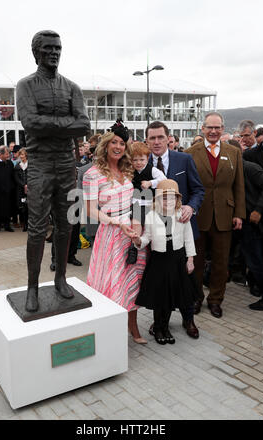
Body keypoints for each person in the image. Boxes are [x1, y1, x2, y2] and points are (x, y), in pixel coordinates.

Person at [16, 30, 90, 312]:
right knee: (36, 227)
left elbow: (83, 125)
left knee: (66, 223)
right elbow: (31, 123)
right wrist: (65, 123)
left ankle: (60, 277)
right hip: (40, 164)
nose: (55, 52)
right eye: (48, 48)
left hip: (65, 164)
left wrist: (52, 125)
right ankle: (32, 287)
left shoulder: (72, 87)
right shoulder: (26, 85)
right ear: (37, 52)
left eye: (58, 47)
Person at [83, 120, 147, 344]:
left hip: (130, 231)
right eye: (115, 142)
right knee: (112, 282)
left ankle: (134, 328)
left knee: (132, 280)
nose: (119, 147)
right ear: (106, 145)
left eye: (122, 143)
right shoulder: (92, 174)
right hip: (110, 233)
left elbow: (138, 201)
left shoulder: (127, 171)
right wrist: (115, 222)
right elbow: (90, 210)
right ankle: (109, 332)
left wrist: (136, 224)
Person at [185, 111, 246, 318]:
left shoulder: (234, 152)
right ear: (202, 129)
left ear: (222, 129)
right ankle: (195, 298)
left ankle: (216, 300)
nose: (213, 131)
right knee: (197, 261)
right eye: (209, 127)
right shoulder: (190, 152)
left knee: (221, 262)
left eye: (217, 127)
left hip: (224, 215)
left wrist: (239, 213)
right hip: (198, 216)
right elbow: (187, 187)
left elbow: (239, 185)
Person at [133, 179, 199, 345]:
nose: (167, 201)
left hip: (177, 259)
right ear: (157, 199)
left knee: (171, 296)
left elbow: (188, 238)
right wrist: (138, 241)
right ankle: (159, 327)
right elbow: (147, 237)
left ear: (177, 200)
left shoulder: (181, 215)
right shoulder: (151, 215)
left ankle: (166, 327)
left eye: (171, 198)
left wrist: (190, 259)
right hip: (159, 260)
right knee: (160, 296)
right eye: (163, 198)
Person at [146, 121, 204, 241]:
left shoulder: (185, 159)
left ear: (168, 139)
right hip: (153, 231)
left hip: (181, 226)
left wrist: (190, 207)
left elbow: (198, 190)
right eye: (152, 138)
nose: (156, 142)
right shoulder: (141, 164)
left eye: (160, 137)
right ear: (147, 141)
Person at [126, 141, 166, 264]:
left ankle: (157, 252)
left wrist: (150, 183)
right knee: (136, 223)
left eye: (141, 160)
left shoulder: (152, 170)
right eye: (135, 160)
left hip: (150, 204)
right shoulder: (130, 171)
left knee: (152, 228)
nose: (138, 163)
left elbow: (163, 179)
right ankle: (134, 247)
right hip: (136, 203)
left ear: (147, 158)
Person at [243, 126, 263, 276]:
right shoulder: (250, 156)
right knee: (258, 253)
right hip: (256, 212)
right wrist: (258, 208)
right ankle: (257, 284)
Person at [14, 148, 28, 232]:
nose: (21, 156)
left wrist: (28, 185)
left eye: (22, 154)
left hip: (31, 189)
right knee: (23, 207)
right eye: (20, 154)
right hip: (21, 190)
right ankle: (25, 224)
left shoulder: (31, 165)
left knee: (30, 207)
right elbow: (16, 178)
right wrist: (24, 185)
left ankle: (31, 224)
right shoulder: (17, 166)